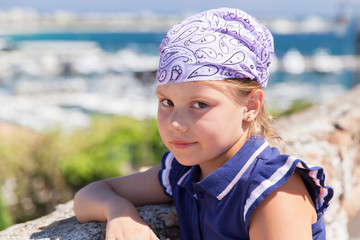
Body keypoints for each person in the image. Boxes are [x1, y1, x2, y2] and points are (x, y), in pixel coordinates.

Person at [73, 7, 333, 240]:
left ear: (250, 106)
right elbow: (90, 195)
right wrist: (119, 212)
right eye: (166, 102)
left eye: (200, 105)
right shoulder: (183, 172)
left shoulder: (272, 194)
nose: (175, 123)